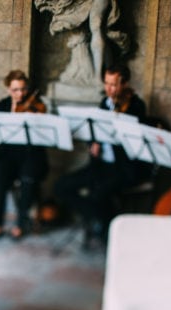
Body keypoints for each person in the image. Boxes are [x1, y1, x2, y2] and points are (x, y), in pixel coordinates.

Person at [53, 63, 148, 246]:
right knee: (61, 186)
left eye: (114, 84)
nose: (109, 89)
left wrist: (119, 117)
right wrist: (93, 143)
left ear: (125, 84)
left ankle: (105, 227)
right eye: (106, 83)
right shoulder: (104, 103)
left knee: (98, 193)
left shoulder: (137, 106)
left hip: (123, 169)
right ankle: (105, 220)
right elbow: (94, 130)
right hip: (100, 165)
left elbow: (133, 140)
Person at [0, 70, 49, 241]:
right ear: (8, 89)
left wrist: (40, 120)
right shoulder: (1, 106)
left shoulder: (36, 106)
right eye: (16, 90)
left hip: (31, 154)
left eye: (23, 89)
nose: (21, 94)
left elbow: (46, 131)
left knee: (28, 177)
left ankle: (20, 223)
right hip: (7, 155)